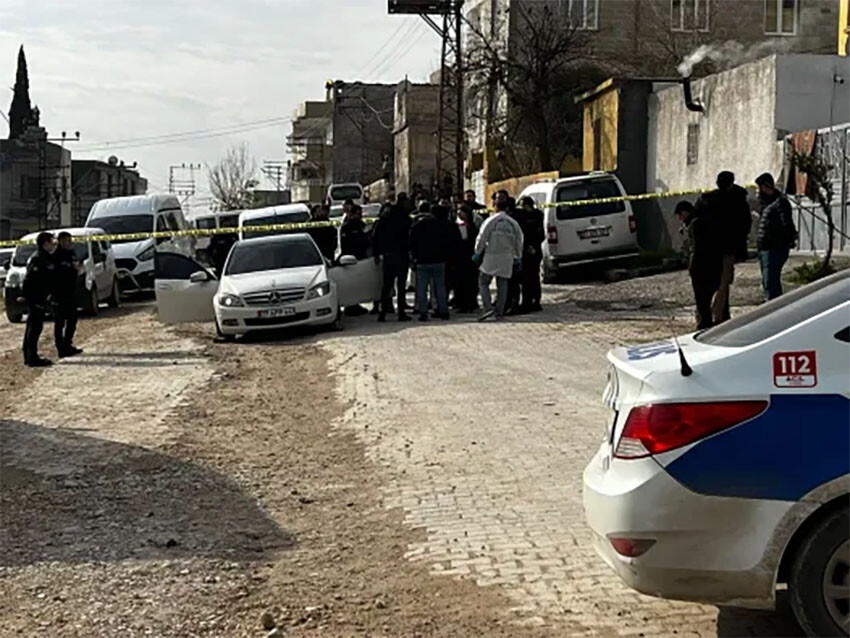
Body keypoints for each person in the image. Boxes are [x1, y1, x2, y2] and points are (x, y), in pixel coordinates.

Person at [696, 171, 752, 325]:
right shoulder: (738, 201)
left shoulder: (706, 200)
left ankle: (710, 315)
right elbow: (745, 225)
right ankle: (718, 315)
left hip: (708, 250)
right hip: (727, 249)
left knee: (710, 284)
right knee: (723, 283)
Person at [676, 200, 723, 330]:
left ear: (685, 212)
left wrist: (692, 266)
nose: (680, 219)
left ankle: (705, 325)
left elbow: (696, 249)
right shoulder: (704, 221)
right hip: (712, 265)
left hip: (702, 268)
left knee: (702, 301)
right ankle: (706, 322)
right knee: (705, 299)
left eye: (680, 215)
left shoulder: (695, 225)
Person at [474, 200, 524, 321]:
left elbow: (482, 237)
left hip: (491, 255)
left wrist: (477, 252)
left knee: (483, 282)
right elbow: (519, 240)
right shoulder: (513, 223)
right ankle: (500, 311)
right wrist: (518, 256)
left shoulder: (490, 221)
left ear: (495, 207)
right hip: (507, 257)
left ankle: (488, 308)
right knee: (502, 284)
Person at [409, 204, 459, 321]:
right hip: (438, 260)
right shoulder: (443, 226)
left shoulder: (419, 225)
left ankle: (423, 312)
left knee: (421, 288)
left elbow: (411, 241)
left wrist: (414, 257)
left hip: (422, 261)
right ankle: (443, 310)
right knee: (440, 287)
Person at [17, 232, 57, 367]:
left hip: (41, 296)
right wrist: (24, 295)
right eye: (51, 242)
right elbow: (29, 279)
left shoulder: (46, 257)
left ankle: (29, 356)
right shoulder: (38, 258)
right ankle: (31, 357)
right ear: (45, 243)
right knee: (34, 327)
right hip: (35, 297)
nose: (53, 244)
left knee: (34, 326)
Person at [755, 172, 797, 300]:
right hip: (765, 246)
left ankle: (773, 304)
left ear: (766, 187)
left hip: (775, 246)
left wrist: (787, 239)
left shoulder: (780, 203)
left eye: (759, 187)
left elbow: (786, 224)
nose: (758, 191)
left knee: (770, 280)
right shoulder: (766, 203)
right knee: (767, 280)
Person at [372, 203, 412, 322]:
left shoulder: (383, 222)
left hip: (388, 256)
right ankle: (401, 312)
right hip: (402, 255)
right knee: (401, 286)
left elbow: (375, 238)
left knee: (387, 286)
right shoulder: (406, 220)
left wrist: (376, 254)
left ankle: (383, 313)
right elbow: (410, 237)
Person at [52, 232, 83, 358]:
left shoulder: (71, 254)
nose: (67, 243)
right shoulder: (54, 256)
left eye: (69, 241)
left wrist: (78, 269)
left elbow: (77, 268)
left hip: (71, 291)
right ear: (59, 241)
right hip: (59, 293)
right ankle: (60, 348)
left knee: (72, 319)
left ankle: (68, 344)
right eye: (65, 241)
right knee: (59, 322)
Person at [339, 204, 371, 316]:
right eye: (358, 214)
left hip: (361, 258)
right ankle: (350, 306)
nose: (360, 216)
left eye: (360, 214)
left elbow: (367, 239)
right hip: (350, 258)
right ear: (352, 214)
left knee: (359, 284)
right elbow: (345, 243)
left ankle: (356, 304)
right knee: (351, 283)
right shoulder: (347, 227)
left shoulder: (362, 225)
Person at [516, 196, 545, 313]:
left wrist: (530, 247)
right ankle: (535, 302)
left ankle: (528, 303)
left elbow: (525, 234)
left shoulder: (524, 217)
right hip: (535, 249)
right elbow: (541, 234)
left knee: (527, 278)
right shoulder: (539, 215)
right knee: (534, 277)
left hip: (529, 250)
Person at [454, 205, 482, 313]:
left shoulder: (473, 226)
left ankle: (471, 302)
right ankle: (462, 303)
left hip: (470, 257)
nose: (459, 214)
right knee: (461, 281)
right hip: (460, 258)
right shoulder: (457, 224)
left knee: (471, 281)